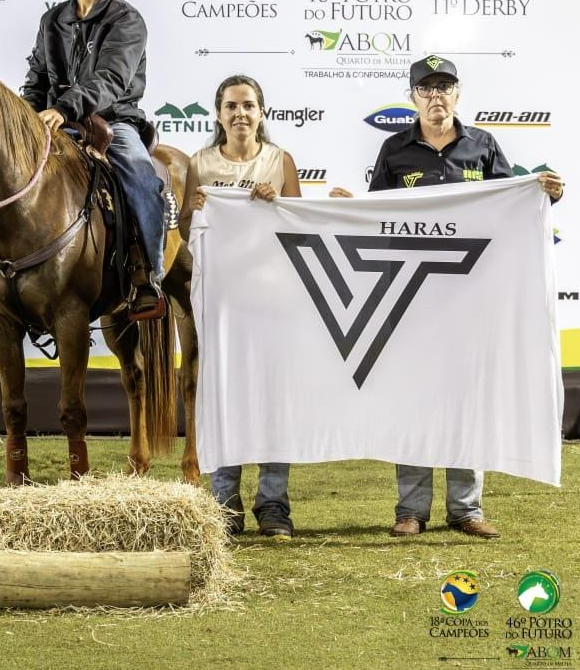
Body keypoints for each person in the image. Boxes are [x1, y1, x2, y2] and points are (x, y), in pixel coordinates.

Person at [331, 54, 565, 539]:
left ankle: (466, 509)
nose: (436, 96)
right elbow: (376, 217)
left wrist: (545, 194)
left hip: (469, 297)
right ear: (412, 97)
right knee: (410, 397)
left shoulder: (483, 144)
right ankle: (410, 511)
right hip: (409, 295)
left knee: (467, 396)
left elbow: (513, 204)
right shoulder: (394, 149)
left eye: (445, 87)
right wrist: (346, 210)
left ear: (458, 94)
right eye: (427, 88)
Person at [179, 74, 303, 539]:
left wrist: (277, 205)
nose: (240, 114)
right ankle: (224, 503)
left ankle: (273, 507)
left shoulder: (280, 161)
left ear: (262, 112)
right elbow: (187, 228)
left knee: (274, 400)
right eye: (231, 106)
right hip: (222, 300)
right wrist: (192, 208)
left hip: (273, 298)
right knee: (223, 397)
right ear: (218, 114)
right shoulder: (200, 162)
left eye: (248, 105)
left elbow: (303, 228)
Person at [21, 0, 165, 319]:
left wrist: (65, 107)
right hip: (57, 121)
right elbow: (36, 78)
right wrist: (27, 119)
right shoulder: (52, 21)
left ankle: (147, 274)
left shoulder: (127, 20)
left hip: (113, 121)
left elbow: (112, 79)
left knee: (140, 174)